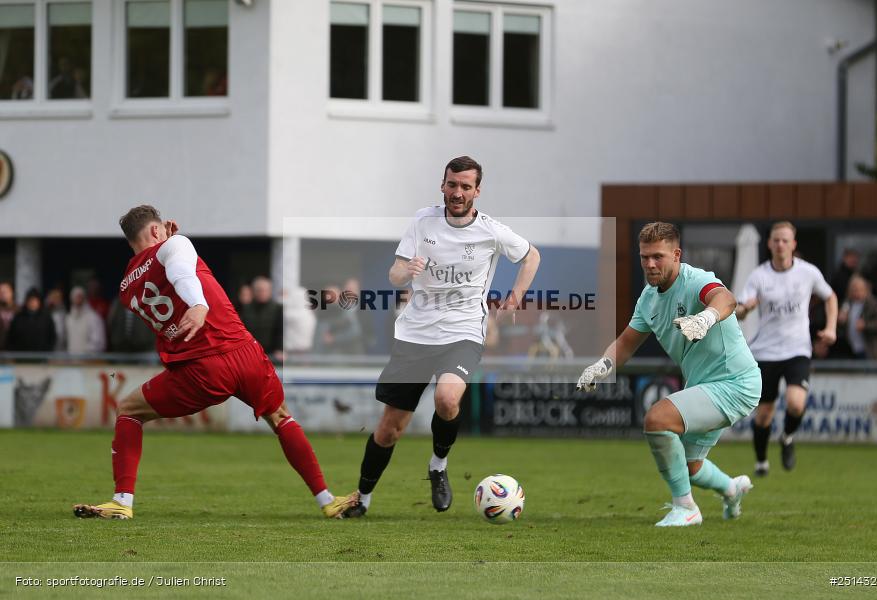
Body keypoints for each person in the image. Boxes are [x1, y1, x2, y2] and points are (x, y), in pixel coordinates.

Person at [73, 205, 356, 520]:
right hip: (244, 355)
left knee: (129, 410)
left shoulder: (127, 288)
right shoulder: (175, 246)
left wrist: (171, 244)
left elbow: (165, 271)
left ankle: (122, 501)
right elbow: (180, 270)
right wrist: (197, 302)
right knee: (281, 417)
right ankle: (327, 500)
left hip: (200, 371)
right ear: (156, 230)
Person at [344, 156, 540, 518]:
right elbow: (394, 275)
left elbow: (531, 256)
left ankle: (437, 465)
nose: (458, 192)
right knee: (390, 429)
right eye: (453, 184)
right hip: (415, 334)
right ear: (443, 185)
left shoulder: (491, 231)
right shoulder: (423, 220)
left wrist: (516, 296)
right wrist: (406, 270)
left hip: (463, 332)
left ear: (477, 191)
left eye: (466, 186)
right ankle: (363, 498)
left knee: (448, 399)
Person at [577, 222, 759, 527]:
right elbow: (625, 343)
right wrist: (601, 366)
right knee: (690, 466)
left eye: (658, 256)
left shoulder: (696, 280)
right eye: (644, 257)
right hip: (706, 386)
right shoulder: (648, 299)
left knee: (657, 419)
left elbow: (726, 299)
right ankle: (731, 489)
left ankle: (685, 508)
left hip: (735, 383)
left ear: (676, 255)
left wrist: (706, 317)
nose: (650, 264)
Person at [735, 221, 837, 476]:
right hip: (765, 352)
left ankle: (788, 438)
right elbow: (740, 311)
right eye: (776, 240)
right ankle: (761, 462)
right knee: (764, 414)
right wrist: (745, 308)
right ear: (769, 244)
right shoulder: (759, 275)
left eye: (785, 240)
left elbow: (830, 297)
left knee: (796, 403)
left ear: (793, 244)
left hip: (797, 349)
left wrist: (832, 328)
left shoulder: (808, 272)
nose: (780, 244)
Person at [838, 275, 877, 360]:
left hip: (870, 351)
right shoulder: (847, 303)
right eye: (854, 290)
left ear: (866, 289)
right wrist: (841, 320)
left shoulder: (873, 303)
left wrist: (866, 325)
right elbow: (841, 326)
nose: (857, 292)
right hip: (852, 349)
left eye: (859, 289)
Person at [239, 276, 283, 359]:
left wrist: (279, 349)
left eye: (265, 290)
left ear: (270, 291)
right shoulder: (246, 308)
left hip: (271, 353)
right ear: (254, 291)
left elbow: (280, 331)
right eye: (259, 290)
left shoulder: (278, 308)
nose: (262, 293)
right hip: (251, 352)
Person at [7, 287, 57, 352]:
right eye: (30, 300)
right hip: (20, 356)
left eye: (35, 300)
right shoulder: (18, 317)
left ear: (39, 302)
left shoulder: (46, 318)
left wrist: (48, 352)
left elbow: (52, 337)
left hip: (42, 356)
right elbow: (11, 336)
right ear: (26, 302)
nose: (32, 303)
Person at [65, 286, 106, 355]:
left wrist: (84, 353)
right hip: (72, 361)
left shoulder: (93, 317)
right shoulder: (69, 318)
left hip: (89, 362)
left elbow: (98, 343)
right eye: (75, 297)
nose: (78, 300)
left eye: (80, 297)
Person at [0, 281, 17, 350]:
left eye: (5, 292)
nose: (2, 294)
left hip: (15, 351)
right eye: (0, 292)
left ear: (12, 292)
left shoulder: (19, 311)